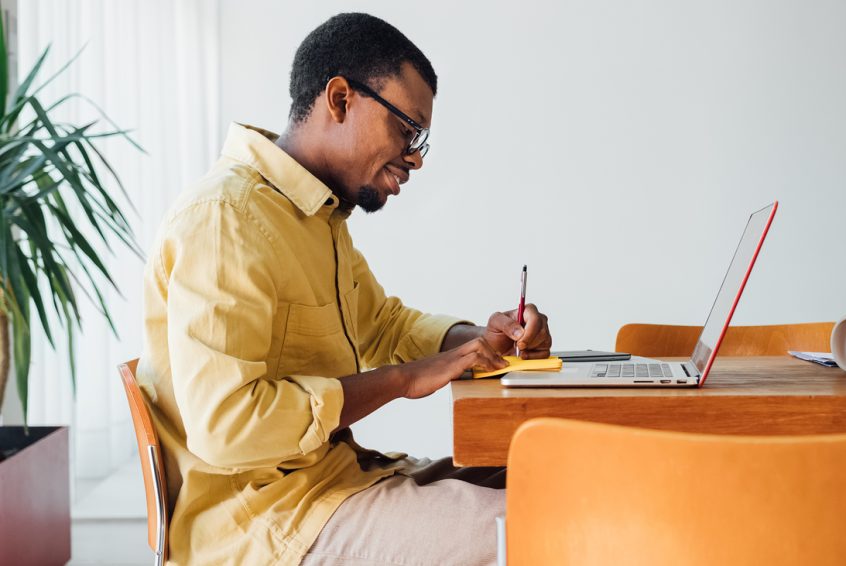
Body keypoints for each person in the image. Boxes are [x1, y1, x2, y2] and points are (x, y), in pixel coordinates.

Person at [138, 12, 552, 565]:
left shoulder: (314, 217)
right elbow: (227, 427)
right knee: (549, 527)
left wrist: (478, 340)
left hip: (337, 484)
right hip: (266, 525)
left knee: (551, 475)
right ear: (339, 99)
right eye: (407, 130)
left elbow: (382, 325)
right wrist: (403, 380)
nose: (416, 157)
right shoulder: (226, 219)